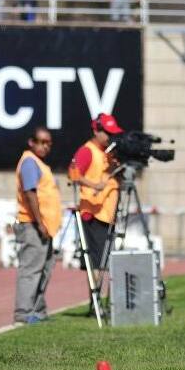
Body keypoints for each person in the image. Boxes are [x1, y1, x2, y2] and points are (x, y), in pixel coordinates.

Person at [70, 113, 123, 311]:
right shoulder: (87, 151)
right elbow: (73, 173)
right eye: (106, 133)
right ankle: (96, 301)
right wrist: (94, 185)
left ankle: (100, 301)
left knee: (104, 261)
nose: (110, 137)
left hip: (107, 214)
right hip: (93, 215)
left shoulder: (107, 152)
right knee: (98, 262)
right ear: (96, 131)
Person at [14, 127, 62, 324]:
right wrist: (40, 223)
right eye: (40, 142)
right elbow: (30, 194)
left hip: (44, 227)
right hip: (34, 225)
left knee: (44, 270)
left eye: (48, 143)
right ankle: (23, 314)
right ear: (31, 142)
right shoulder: (30, 163)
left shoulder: (39, 164)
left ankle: (38, 311)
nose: (44, 146)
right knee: (31, 271)